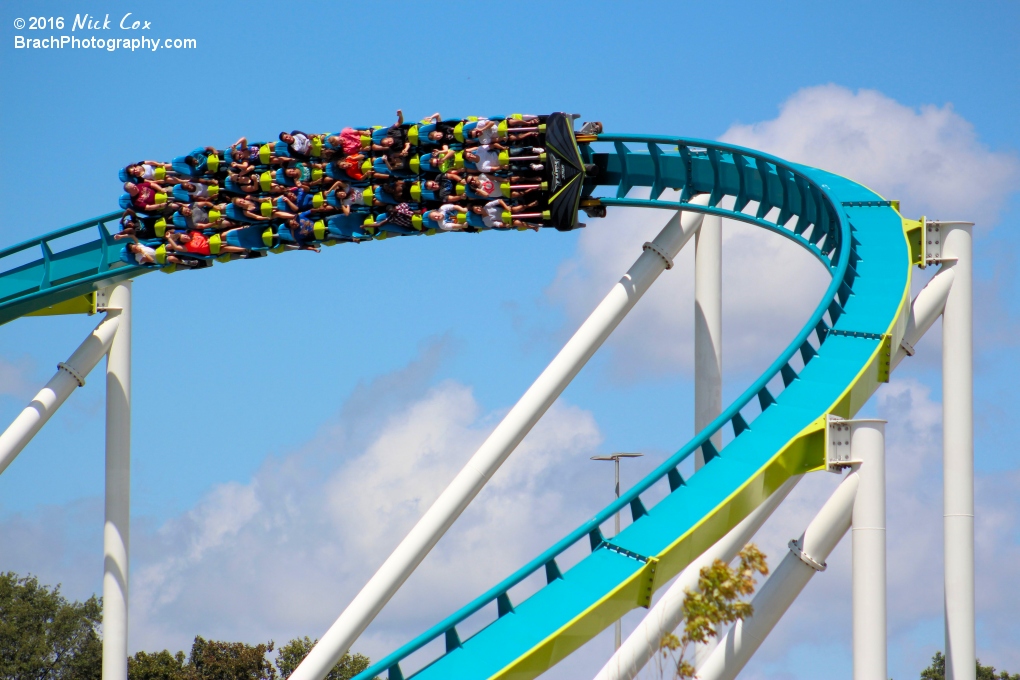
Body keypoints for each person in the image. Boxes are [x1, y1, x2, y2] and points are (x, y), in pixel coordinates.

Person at [121, 233, 197, 268]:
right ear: (132, 251)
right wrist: (142, 252)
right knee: (171, 258)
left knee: (170, 245)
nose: (135, 247)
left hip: (159, 250)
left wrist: (121, 236)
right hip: (159, 259)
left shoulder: (139, 245)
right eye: (133, 248)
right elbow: (150, 260)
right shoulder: (138, 257)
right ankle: (185, 262)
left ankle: (188, 246)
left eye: (134, 245)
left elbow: (132, 236)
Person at [165, 228, 250, 256]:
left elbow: (205, 236)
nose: (186, 238)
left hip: (213, 240)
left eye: (185, 236)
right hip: (211, 250)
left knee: (223, 234)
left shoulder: (193, 233)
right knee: (225, 248)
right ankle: (244, 249)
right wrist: (169, 238)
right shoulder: (186, 247)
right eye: (184, 239)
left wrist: (208, 239)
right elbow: (176, 247)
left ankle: (243, 228)